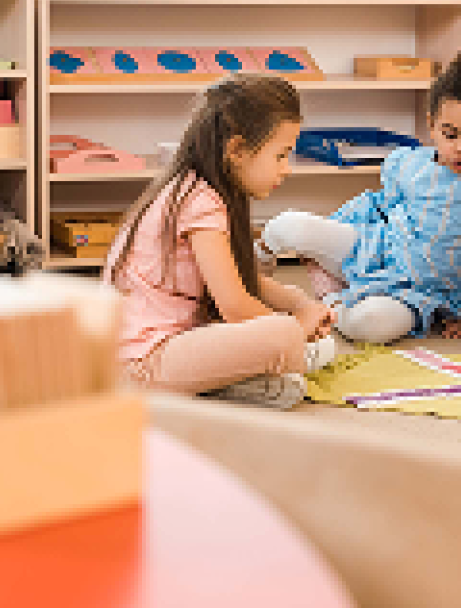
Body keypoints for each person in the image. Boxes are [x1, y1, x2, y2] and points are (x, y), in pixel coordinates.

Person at [260, 47, 461, 344]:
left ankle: (330, 300)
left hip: (420, 295)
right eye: (451, 134)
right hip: (374, 251)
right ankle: (251, 274)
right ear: (432, 125)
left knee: (369, 325)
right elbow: (374, 206)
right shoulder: (407, 162)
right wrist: (329, 231)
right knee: (287, 225)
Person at [103, 74, 336, 410]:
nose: (286, 169)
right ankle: (258, 372)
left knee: (296, 320)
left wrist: (298, 303)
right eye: (281, 155)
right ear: (237, 150)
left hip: (167, 344)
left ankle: (251, 376)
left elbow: (238, 279)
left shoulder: (201, 189)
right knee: (283, 336)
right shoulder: (201, 201)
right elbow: (235, 306)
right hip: (141, 364)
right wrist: (297, 325)